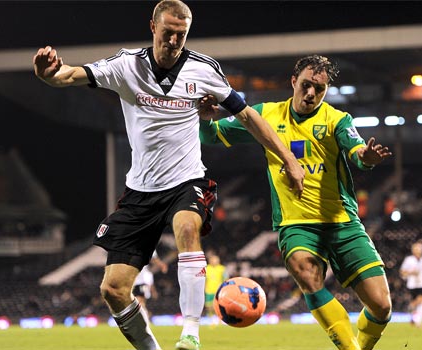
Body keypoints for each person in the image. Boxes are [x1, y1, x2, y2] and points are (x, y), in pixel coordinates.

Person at [32, 1, 305, 349]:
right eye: (168, 32)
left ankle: (190, 332)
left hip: (186, 180)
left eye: (181, 34)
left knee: (188, 228)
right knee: (113, 290)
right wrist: (47, 75)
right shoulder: (126, 66)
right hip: (140, 191)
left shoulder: (204, 69)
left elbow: (249, 116)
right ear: (153, 27)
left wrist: (288, 159)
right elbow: (69, 75)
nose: (174, 40)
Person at [199, 54, 393, 350]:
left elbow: (356, 151)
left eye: (319, 88)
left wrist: (366, 159)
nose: (311, 93)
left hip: (342, 223)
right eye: (306, 85)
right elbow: (212, 137)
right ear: (293, 82)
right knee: (304, 269)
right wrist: (204, 117)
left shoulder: (338, 120)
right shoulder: (265, 115)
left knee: (381, 307)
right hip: (296, 223)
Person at [399, 241, 422, 327]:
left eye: (419, 248)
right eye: (416, 248)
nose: (418, 250)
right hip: (412, 284)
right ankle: (414, 318)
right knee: (417, 302)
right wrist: (411, 272)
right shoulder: (408, 260)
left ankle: (415, 317)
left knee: (421, 299)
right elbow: (402, 272)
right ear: (413, 250)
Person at [204, 253, 228, 320]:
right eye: (213, 259)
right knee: (209, 305)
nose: (214, 261)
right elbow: (203, 279)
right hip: (209, 290)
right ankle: (210, 318)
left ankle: (218, 318)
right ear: (210, 260)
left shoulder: (222, 269)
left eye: (216, 260)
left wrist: (224, 287)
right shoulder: (206, 268)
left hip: (218, 290)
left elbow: (225, 279)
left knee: (218, 305)